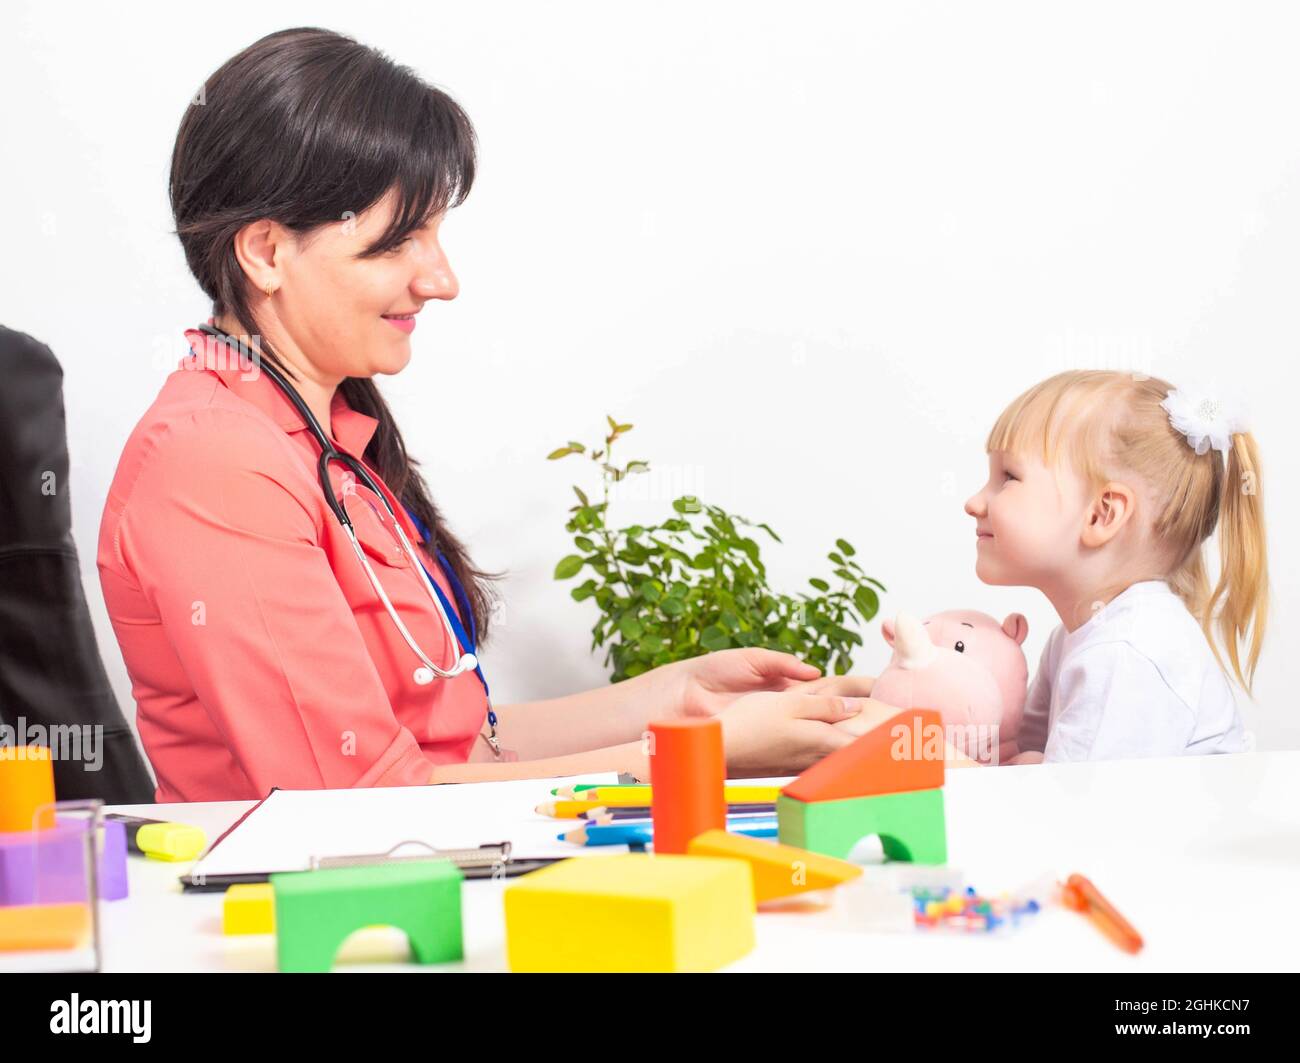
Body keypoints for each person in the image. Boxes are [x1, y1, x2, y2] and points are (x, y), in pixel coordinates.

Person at [96, 27, 873, 803]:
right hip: (328, 882)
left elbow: (468, 746)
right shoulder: (215, 462)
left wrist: (678, 701)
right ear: (266, 252)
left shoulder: (331, 438)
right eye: (398, 242)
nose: (442, 280)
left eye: (435, 235)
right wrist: (702, 754)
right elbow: (357, 807)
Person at [965, 370, 1268, 762]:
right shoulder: (1075, 637)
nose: (974, 502)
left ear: (1102, 514)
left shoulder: (1127, 652)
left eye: (1008, 477)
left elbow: (1065, 799)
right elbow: (1017, 756)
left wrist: (927, 761)